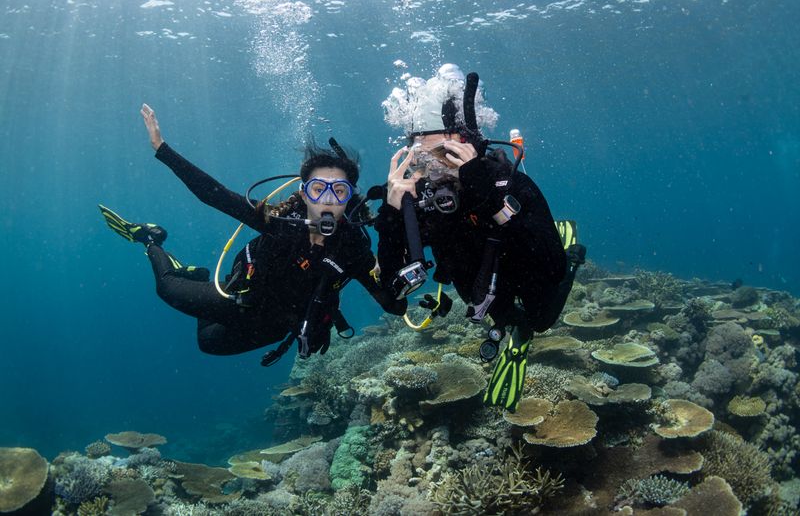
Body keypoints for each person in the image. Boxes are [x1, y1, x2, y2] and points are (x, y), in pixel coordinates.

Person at [100, 104, 405, 364]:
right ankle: (151, 239)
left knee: (209, 344)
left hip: (278, 322)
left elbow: (393, 305)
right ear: (304, 193)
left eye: (339, 191)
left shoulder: (352, 246)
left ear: (349, 197)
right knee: (166, 288)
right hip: (240, 299)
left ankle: (199, 274)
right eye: (317, 189)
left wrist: (399, 265)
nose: (327, 199)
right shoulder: (282, 221)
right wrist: (161, 149)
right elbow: (215, 194)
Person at [376, 65, 585, 411]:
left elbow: (551, 267)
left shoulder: (506, 182)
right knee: (503, 318)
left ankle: (571, 245)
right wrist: (392, 218)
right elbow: (390, 289)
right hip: (479, 287)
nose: (433, 169)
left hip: (530, 264)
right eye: (421, 158)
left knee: (541, 320)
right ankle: (510, 326)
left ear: (466, 144)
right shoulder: (418, 198)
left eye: (442, 154)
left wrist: (484, 194)